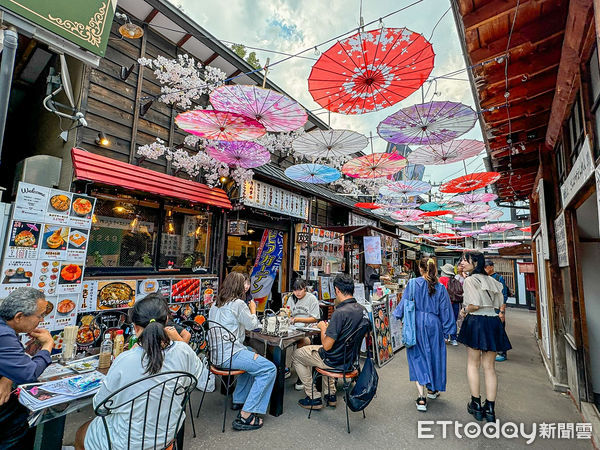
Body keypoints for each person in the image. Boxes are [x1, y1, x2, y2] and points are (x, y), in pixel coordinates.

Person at [75, 295, 202, 450]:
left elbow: (100, 406)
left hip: (124, 443)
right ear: (167, 320)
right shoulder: (183, 351)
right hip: (166, 437)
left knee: (81, 432)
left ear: (135, 328)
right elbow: (195, 377)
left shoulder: (125, 360)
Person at [208, 272, 276, 431]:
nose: (246, 287)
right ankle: (246, 415)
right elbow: (252, 325)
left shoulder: (215, 304)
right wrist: (253, 309)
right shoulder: (238, 303)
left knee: (251, 351)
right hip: (230, 354)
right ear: (238, 287)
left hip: (216, 354)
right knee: (269, 369)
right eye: (244, 284)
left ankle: (240, 398)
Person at [292, 273, 370, 410]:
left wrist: (323, 328)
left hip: (333, 361)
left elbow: (327, 346)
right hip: (350, 361)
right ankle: (330, 395)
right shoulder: (363, 311)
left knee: (297, 355)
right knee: (327, 352)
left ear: (337, 290)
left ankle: (313, 396)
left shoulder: (339, 313)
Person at [393, 258, 456, 412]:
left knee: (417, 356)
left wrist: (397, 315)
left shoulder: (413, 283)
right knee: (435, 356)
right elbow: (446, 309)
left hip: (416, 323)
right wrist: (449, 329)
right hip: (434, 324)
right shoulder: (440, 287)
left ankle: (421, 397)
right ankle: (432, 389)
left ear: (420, 269)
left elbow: (404, 303)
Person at [458, 252, 512, 423]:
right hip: (493, 322)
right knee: (489, 367)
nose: (462, 263)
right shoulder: (493, 281)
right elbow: (498, 303)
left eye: (465, 261)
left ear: (475, 263)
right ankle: (490, 408)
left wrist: (464, 310)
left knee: (473, 364)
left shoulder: (469, 281)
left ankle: (475, 404)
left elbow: (474, 305)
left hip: (476, 322)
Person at [0, 288, 54, 449]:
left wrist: (8, 377)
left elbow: (13, 363)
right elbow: (28, 373)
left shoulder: (6, 328)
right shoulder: (4, 334)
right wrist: (47, 346)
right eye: (40, 316)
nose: (42, 320)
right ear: (19, 317)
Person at [283, 279, 320, 389]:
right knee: (279, 343)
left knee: (303, 342)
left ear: (305, 288)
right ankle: (285, 368)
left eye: (300, 290)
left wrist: (298, 319)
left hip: (307, 330)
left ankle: (302, 377)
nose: (298, 293)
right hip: (292, 329)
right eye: (295, 290)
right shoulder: (291, 298)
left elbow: (315, 318)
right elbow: (287, 314)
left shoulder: (311, 298)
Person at [484, 260, 509, 362]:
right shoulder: (485, 278)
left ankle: (502, 352)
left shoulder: (498, 278)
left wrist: (502, 311)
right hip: (487, 307)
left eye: (486, 267)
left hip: (497, 308)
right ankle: (492, 350)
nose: (484, 269)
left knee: (499, 330)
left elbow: (503, 295)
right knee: (490, 330)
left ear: (491, 267)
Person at [444, 265, 464, 346]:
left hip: (446, 303)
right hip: (455, 302)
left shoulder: (442, 279)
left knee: (445, 320)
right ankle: (453, 339)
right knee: (453, 320)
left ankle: (445, 337)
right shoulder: (456, 280)